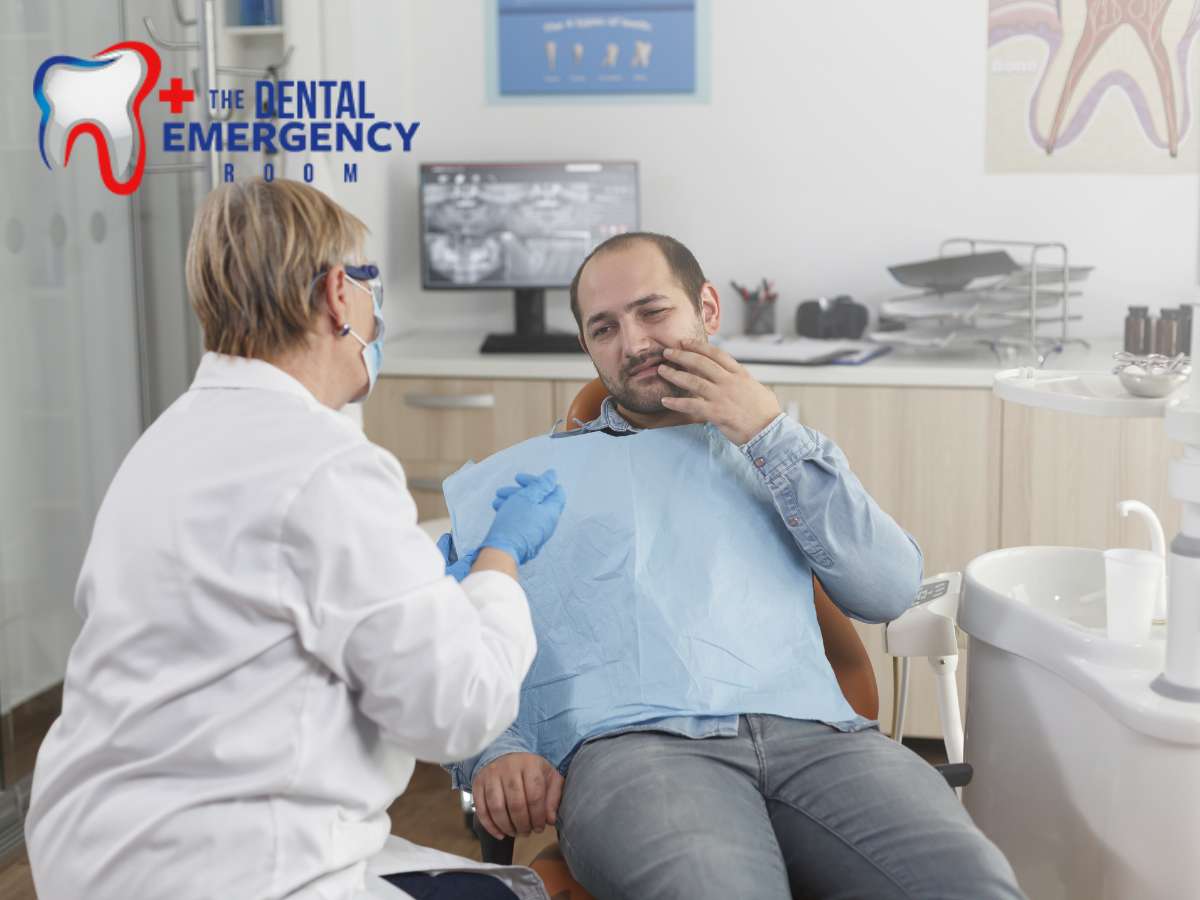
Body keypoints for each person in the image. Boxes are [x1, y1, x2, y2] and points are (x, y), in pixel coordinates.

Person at [24, 178, 565, 900]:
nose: (376, 313)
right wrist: (498, 564)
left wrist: (429, 591)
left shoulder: (166, 442)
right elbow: (456, 711)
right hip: (227, 870)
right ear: (340, 295)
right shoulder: (326, 468)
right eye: (369, 286)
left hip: (91, 850)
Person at [451, 232, 1025, 899]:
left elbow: (890, 588)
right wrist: (499, 749)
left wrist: (769, 435)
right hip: (637, 751)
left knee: (972, 884)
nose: (633, 343)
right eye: (604, 327)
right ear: (587, 345)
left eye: (653, 312)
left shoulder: (776, 452)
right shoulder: (528, 478)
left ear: (709, 309)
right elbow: (459, 643)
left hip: (820, 738)